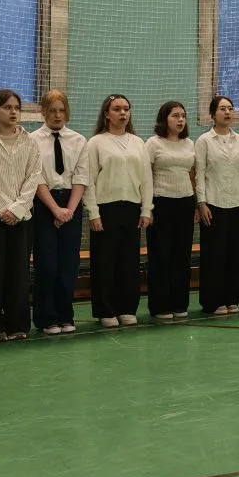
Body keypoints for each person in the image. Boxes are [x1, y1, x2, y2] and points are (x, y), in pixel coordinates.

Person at [0, 88, 42, 342]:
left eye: (17, 108)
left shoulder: (30, 142)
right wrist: (3, 208)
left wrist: (17, 209)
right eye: (7, 107)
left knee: (19, 272)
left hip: (22, 217)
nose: (13, 112)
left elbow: (34, 177)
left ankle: (17, 325)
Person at [82, 95, 153, 328]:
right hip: (105, 209)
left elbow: (146, 179)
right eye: (117, 109)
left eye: (126, 109)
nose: (122, 113)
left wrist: (146, 209)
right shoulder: (96, 143)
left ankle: (127, 308)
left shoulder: (138, 143)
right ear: (106, 114)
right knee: (105, 261)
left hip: (132, 208)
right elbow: (89, 180)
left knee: (129, 261)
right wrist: (93, 212)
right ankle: (105, 309)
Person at [30, 90, 89, 335]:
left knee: (68, 263)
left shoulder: (78, 140)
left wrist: (69, 210)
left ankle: (65, 314)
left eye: (61, 110)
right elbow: (35, 176)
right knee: (47, 263)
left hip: (71, 204)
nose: (57, 115)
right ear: (43, 112)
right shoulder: (32, 140)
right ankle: (47, 317)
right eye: (52, 110)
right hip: (44, 203)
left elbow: (81, 176)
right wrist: (55, 209)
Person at [196, 95, 239, 315]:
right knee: (215, 255)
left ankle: (232, 297)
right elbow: (199, 174)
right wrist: (201, 202)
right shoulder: (204, 141)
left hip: (237, 203)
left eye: (230, 108)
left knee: (235, 254)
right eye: (222, 109)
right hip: (213, 204)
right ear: (213, 114)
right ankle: (213, 300)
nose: (227, 112)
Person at [146, 100, 196, 320]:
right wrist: (147, 208)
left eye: (183, 116)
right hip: (160, 203)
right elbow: (146, 175)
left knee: (181, 255)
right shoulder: (153, 143)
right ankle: (160, 305)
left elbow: (192, 175)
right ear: (164, 119)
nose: (180, 119)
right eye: (175, 115)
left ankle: (179, 303)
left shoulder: (190, 144)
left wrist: (197, 203)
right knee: (161, 255)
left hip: (185, 203)